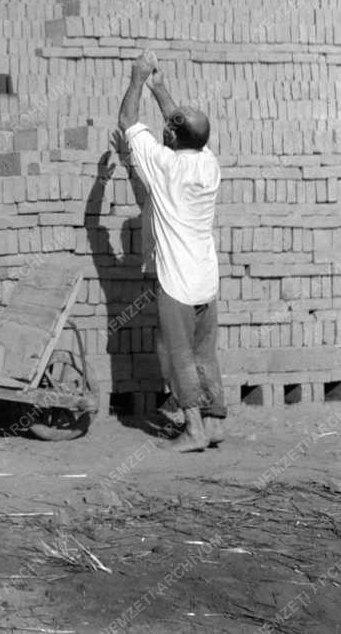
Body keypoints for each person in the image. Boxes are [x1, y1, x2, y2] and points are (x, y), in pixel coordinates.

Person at [117, 50, 225, 452]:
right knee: (205, 353)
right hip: (206, 277)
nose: (166, 129)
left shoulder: (164, 167)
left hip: (177, 281)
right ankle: (215, 424)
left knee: (177, 356)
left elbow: (127, 122)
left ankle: (193, 430)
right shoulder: (208, 163)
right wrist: (159, 86)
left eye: (170, 128)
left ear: (172, 137)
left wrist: (136, 78)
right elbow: (179, 121)